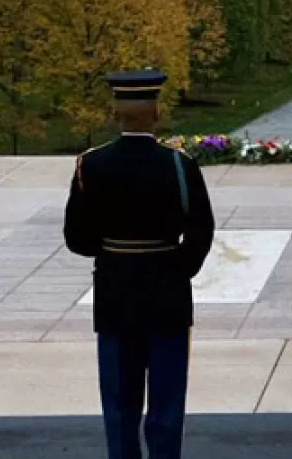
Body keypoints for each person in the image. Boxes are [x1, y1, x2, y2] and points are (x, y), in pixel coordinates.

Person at [63, 69, 216, 459]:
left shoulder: (91, 166)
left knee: (119, 406)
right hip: (167, 295)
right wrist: (176, 267)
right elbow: (201, 231)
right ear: (156, 114)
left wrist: (113, 251)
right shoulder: (181, 167)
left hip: (115, 294)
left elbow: (76, 239)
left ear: (116, 114)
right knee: (166, 405)